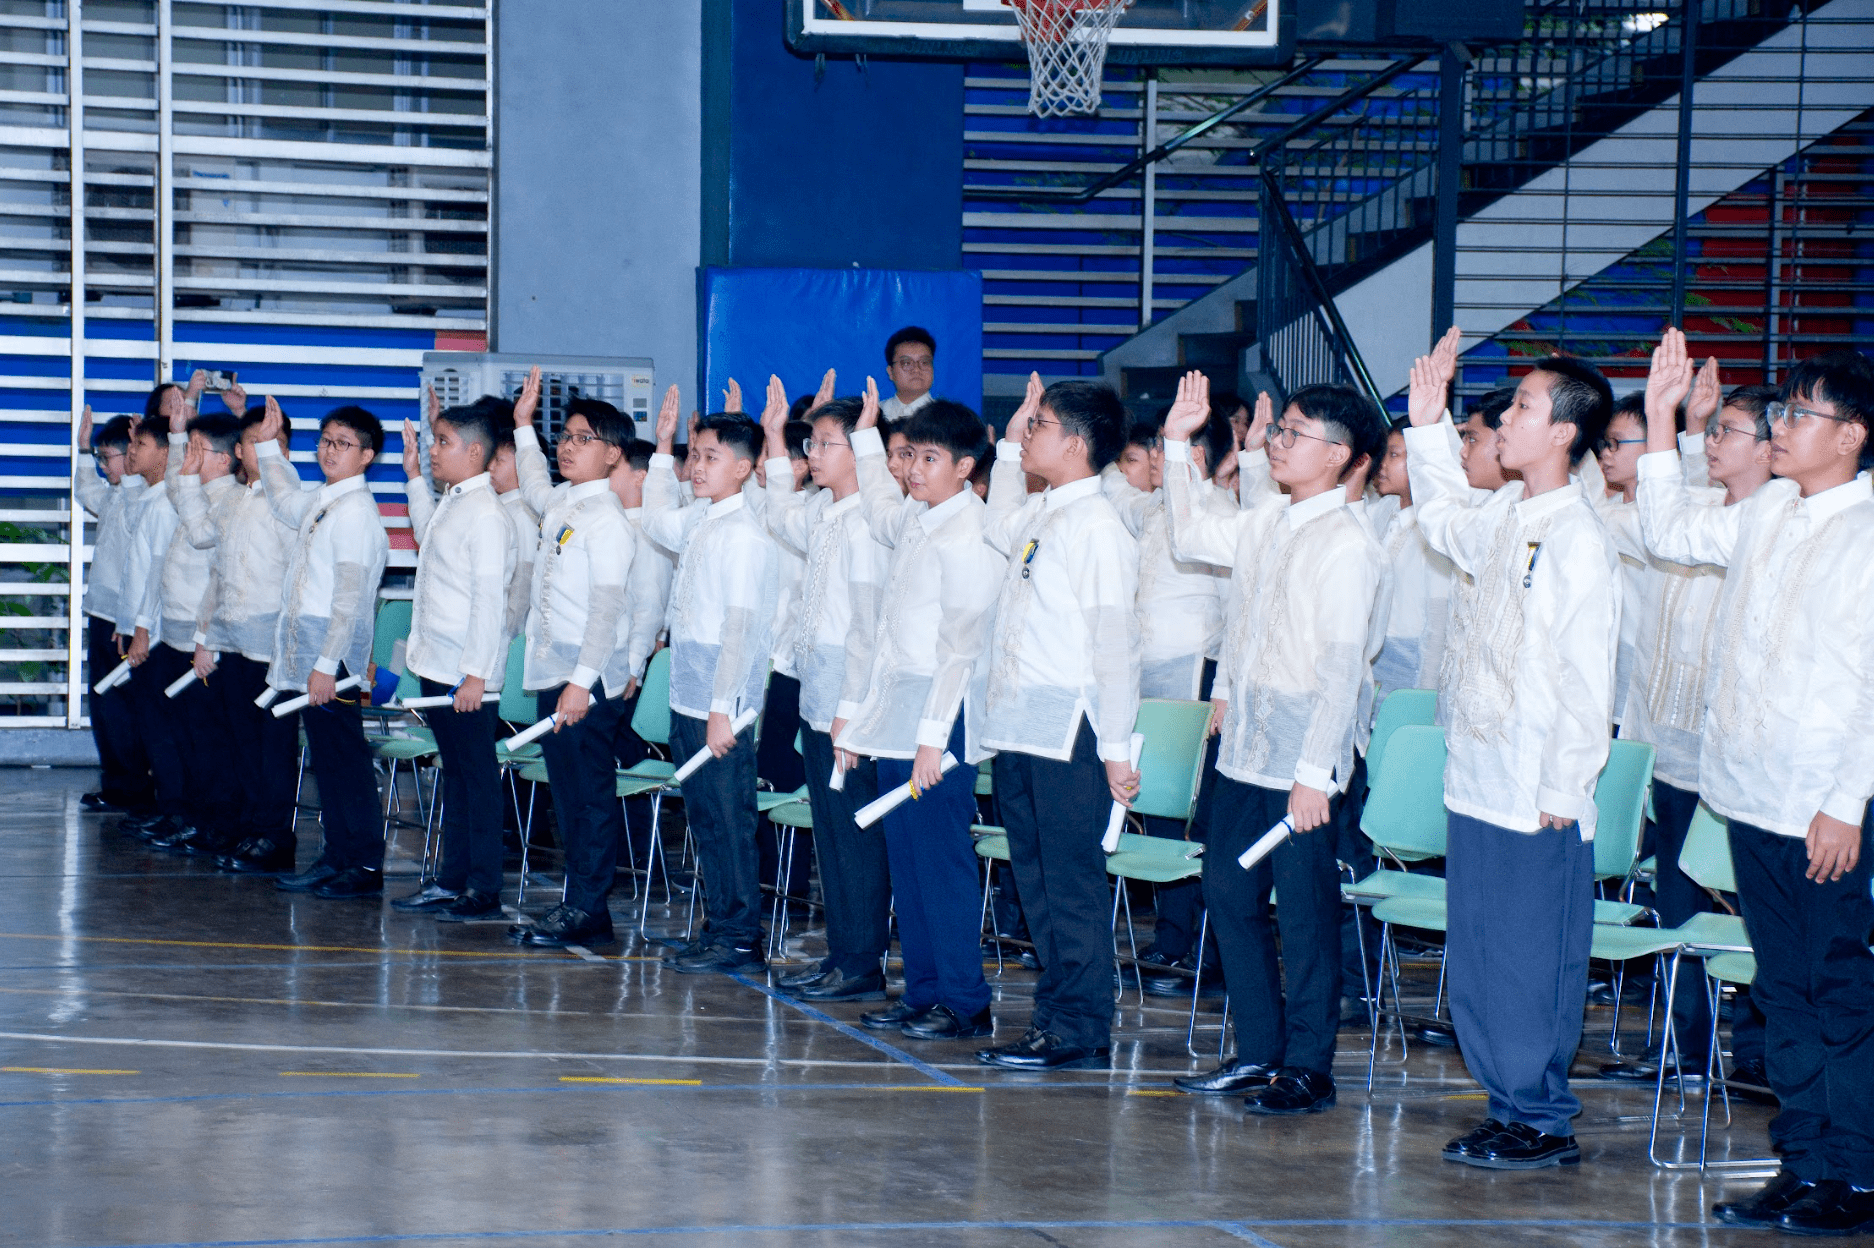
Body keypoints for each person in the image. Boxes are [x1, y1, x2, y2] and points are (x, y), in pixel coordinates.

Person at [1636, 334, 1874, 1235]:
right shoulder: (1769, 509)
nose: (1780, 428)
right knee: (1780, 988)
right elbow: (1667, 529)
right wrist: (1662, 418)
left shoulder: (1867, 531)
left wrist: (1846, 801)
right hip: (1749, 792)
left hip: (1824, 805)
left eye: (1801, 415)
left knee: (1836, 989)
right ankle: (1803, 1161)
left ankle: (1854, 1172)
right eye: (1781, 413)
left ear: (1851, 436)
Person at [1405, 327, 1619, 1170]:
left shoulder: (1577, 535)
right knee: (1484, 959)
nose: (1503, 421)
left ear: (1564, 432)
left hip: (1538, 794)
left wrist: (1565, 787)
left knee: (1534, 964)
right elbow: (1440, 517)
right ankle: (1505, 1105)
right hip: (1479, 780)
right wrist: (1427, 427)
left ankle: (1542, 1117)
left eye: (1523, 406)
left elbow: (1585, 679)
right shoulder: (1504, 514)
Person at [1158, 373, 1386, 1116]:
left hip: (1303, 762)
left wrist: (1316, 774)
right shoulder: (1265, 519)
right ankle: (1258, 1050)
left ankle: (1309, 1066)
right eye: (1278, 429)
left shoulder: (1350, 543)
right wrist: (1175, 442)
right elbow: (1190, 533)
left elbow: (1342, 670)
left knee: (1306, 914)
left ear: (1342, 455)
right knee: (1228, 895)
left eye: (1295, 435)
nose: (1277, 443)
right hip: (1245, 750)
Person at [1596, 356, 1774, 1088]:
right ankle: (1684, 1051)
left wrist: (1678, 423)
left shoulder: (1772, 526)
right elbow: (1654, 519)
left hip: (1737, 762)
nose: (1712, 443)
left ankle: (1759, 1055)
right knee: (1677, 910)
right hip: (1671, 755)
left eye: (1728, 431)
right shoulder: (1698, 517)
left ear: (1771, 446)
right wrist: (1685, 422)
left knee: (1757, 916)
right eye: (1715, 430)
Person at [973, 373, 1140, 1072]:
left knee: (1068, 883)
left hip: (1070, 730)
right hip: (1022, 724)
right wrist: (1010, 451)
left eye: (1039, 425)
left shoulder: (1099, 526)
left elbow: (1116, 645)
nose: (1027, 431)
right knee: (1035, 878)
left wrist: (1115, 745)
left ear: (1075, 442)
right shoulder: (1047, 513)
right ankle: (1055, 1016)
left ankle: (1079, 1025)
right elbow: (996, 523)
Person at [839, 381, 1002, 1038]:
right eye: (908, 458)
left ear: (966, 466)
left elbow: (960, 651)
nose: (912, 470)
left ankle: (963, 999)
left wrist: (933, 739)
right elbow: (877, 501)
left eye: (928, 459)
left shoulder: (969, 532)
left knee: (939, 858)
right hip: (901, 710)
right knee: (905, 856)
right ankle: (923, 989)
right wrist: (866, 435)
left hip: (944, 717)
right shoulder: (915, 515)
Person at [756, 384, 894, 1004]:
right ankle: (843, 953)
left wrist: (850, 711)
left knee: (854, 836)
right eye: (810, 443)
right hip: (818, 697)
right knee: (831, 835)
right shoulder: (822, 511)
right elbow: (777, 513)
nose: (814, 452)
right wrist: (776, 434)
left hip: (852, 704)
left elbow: (868, 626)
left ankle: (863, 962)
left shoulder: (870, 520)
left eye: (826, 442)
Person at [642, 392, 779, 974]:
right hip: (690, 694)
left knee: (729, 820)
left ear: (745, 469)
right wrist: (662, 449)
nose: (697, 467)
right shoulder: (702, 518)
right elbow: (656, 523)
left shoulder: (745, 534)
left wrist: (724, 707)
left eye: (711, 457)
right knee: (703, 818)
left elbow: (742, 630)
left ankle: (740, 937)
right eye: (694, 456)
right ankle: (719, 925)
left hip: (722, 705)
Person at [1099, 402, 1234, 994]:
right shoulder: (1154, 506)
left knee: (1192, 816)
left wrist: (1224, 687)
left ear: (1193, 455)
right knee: (1155, 806)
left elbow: (1235, 613)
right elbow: (1106, 486)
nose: (1151, 460)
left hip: (1195, 674)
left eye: (1162, 448)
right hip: (1150, 674)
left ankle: (1196, 948)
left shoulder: (1219, 512)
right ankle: (1168, 939)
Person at [504, 376, 641, 948]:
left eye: (583, 439)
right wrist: (523, 426)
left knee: (588, 794)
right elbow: (535, 484)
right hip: (555, 674)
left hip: (584, 683)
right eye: (564, 436)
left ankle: (588, 907)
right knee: (567, 794)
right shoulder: (565, 503)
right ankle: (581, 904)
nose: (567, 446)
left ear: (613, 455)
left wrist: (581, 685)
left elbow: (607, 613)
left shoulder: (608, 521)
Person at [255, 399, 393, 901]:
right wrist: (269, 445)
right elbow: (282, 500)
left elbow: (352, 602)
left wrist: (325, 666)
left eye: (343, 444)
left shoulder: (356, 512)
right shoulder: (323, 498)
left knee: (345, 761)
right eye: (326, 440)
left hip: (329, 661)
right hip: (314, 655)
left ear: (367, 456)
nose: (330, 450)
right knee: (329, 764)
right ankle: (337, 856)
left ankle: (361, 863)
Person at [390, 400, 518, 922]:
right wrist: (415, 477)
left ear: (475, 452)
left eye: (442, 442)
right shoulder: (454, 501)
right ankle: (452, 880)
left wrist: (476, 674)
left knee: (478, 781)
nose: (433, 449)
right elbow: (427, 533)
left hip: (468, 674)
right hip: (441, 665)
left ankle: (482, 889)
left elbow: (490, 602)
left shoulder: (487, 514)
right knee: (458, 779)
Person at [196, 404, 303, 875]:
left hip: (273, 644)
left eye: (270, 442)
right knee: (239, 739)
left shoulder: (291, 499)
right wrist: (207, 636)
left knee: (272, 746)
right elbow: (219, 574)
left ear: (282, 448)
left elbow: (298, 580)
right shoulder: (237, 499)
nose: (260, 451)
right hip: (235, 638)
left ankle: (274, 835)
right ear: (239, 452)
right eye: (252, 443)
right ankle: (246, 824)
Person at [145, 411, 246, 855]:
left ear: (224, 460)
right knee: (183, 736)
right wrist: (178, 431)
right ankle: (189, 815)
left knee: (208, 741)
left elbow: (218, 578)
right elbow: (174, 486)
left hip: (204, 641)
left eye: (197, 450)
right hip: (177, 634)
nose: (188, 458)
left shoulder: (228, 502)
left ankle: (212, 823)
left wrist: (208, 637)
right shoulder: (197, 491)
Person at [75, 408, 151, 815]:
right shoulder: (115, 496)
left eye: (109, 458)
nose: (103, 467)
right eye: (100, 459)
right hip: (102, 614)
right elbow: (87, 493)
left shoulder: (140, 499)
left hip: (125, 621)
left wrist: (131, 624)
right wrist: (83, 449)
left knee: (125, 709)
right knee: (106, 706)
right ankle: (119, 783)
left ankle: (134, 788)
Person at [114, 411, 185, 843]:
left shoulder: (167, 505)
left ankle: (176, 812)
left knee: (165, 733)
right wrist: (125, 623)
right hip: (144, 630)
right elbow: (134, 572)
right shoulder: (151, 497)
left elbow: (159, 574)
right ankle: (166, 807)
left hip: (159, 636)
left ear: (164, 453)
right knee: (153, 731)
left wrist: (141, 630)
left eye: (140, 445)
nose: (131, 452)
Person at [1370, 416, 1456, 706]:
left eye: (1393, 455)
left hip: (1411, 670)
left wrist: (1424, 699)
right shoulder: (1382, 509)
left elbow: (1437, 624)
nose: (1382, 463)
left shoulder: (1437, 529)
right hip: (1374, 664)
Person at [882, 326, 936, 423]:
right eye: (906, 363)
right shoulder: (874, 416)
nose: (916, 369)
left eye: (924, 362)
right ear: (890, 372)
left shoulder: (951, 420)